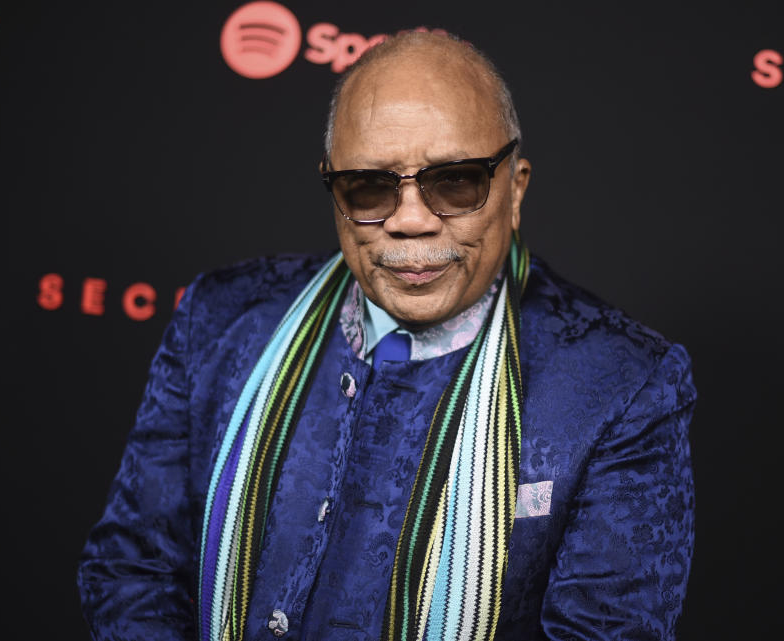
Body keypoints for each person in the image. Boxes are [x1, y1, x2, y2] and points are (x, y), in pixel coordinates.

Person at [78, 31, 696, 641]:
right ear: (334, 190)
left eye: (457, 181)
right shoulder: (220, 319)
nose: (409, 220)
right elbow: (133, 567)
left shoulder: (622, 385)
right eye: (369, 186)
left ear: (515, 190)